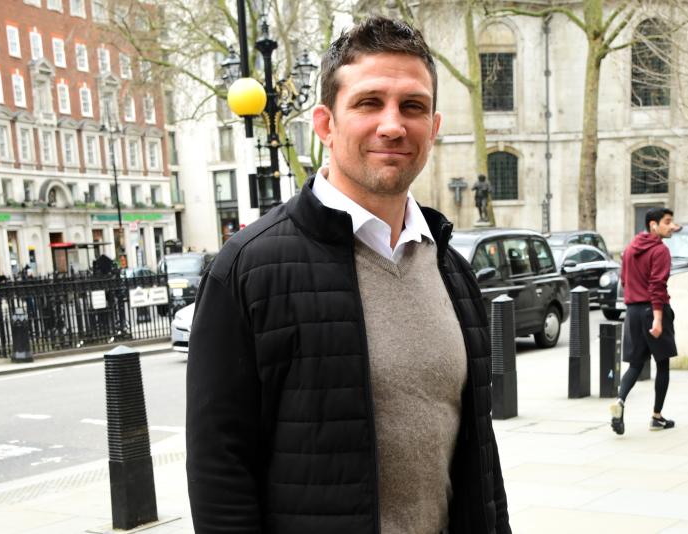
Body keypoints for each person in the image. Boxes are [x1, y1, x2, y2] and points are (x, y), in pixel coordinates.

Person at [186, 17, 510, 534]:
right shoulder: (248, 268)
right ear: (325, 124)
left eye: (413, 107)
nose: (393, 125)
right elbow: (219, 469)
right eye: (368, 103)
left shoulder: (452, 270)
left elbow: (478, 456)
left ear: (434, 126)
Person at [610, 207, 681, 435]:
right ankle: (657, 417)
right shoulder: (660, 250)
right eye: (667, 222)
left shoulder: (630, 248)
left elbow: (624, 280)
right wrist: (658, 319)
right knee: (662, 364)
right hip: (653, 310)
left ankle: (620, 401)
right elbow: (657, 286)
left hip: (633, 312)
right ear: (653, 224)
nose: (672, 226)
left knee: (636, 365)